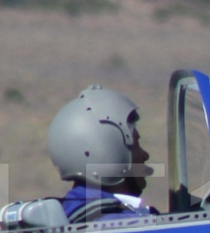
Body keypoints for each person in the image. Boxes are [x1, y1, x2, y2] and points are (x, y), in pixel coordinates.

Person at [47, 86, 158, 222]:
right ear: (111, 152)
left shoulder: (68, 214)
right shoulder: (120, 225)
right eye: (136, 146)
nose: (145, 155)